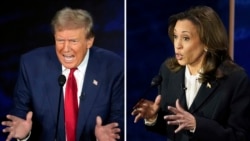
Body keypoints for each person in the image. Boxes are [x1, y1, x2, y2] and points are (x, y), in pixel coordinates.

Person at [1, 7, 124, 141]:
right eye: (60, 40)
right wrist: (24, 135)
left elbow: (119, 120)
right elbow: (20, 113)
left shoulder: (113, 67)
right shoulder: (31, 65)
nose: (65, 49)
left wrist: (107, 137)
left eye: (73, 41)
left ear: (89, 41)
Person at [131, 5, 250, 141]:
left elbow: (241, 137)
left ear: (207, 42)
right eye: (176, 36)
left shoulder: (234, 79)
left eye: (185, 38)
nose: (178, 45)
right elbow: (172, 129)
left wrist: (196, 125)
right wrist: (153, 117)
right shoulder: (169, 71)